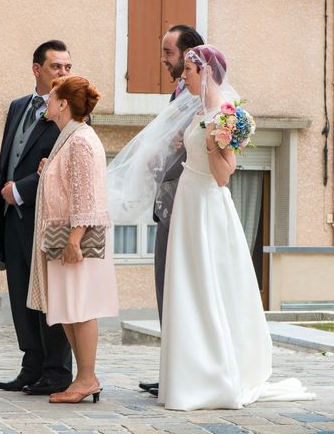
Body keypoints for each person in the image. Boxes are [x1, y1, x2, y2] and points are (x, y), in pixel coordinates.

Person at [121, 44, 314, 410]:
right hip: (188, 204)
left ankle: (214, 373)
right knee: (187, 287)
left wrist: (211, 144)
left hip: (207, 206)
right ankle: (190, 371)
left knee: (207, 286)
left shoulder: (225, 116)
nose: (184, 77)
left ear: (205, 71)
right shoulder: (199, 113)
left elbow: (224, 176)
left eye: (189, 72)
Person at [27, 75, 119, 404]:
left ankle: (86, 378)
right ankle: (84, 377)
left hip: (74, 237)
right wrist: (48, 170)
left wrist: (75, 239)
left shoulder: (79, 139)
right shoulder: (70, 138)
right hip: (65, 234)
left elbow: (85, 192)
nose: (47, 102)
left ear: (63, 104)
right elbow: (69, 182)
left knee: (80, 308)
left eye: (51, 97)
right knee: (68, 308)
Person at [0, 40, 73, 395]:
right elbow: (6, 159)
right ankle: (31, 365)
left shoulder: (73, 110)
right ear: (37, 69)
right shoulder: (18, 106)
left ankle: (56, 372)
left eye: (68, 67)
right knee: (21, 293)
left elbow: (65, 164)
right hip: (12, 217)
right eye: (57, 67)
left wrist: (20, 189)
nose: (64, 74)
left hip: (45, 216)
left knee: (48, 296)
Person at [140, 25, 204, 396]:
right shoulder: (179, 92)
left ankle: (184, 373)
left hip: (190, 206)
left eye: (168, 52)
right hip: (169, 206)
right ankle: (172, 371)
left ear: (190, 54)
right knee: (166, 289)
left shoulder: (204, 97)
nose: (163, 59)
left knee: (183, 290)